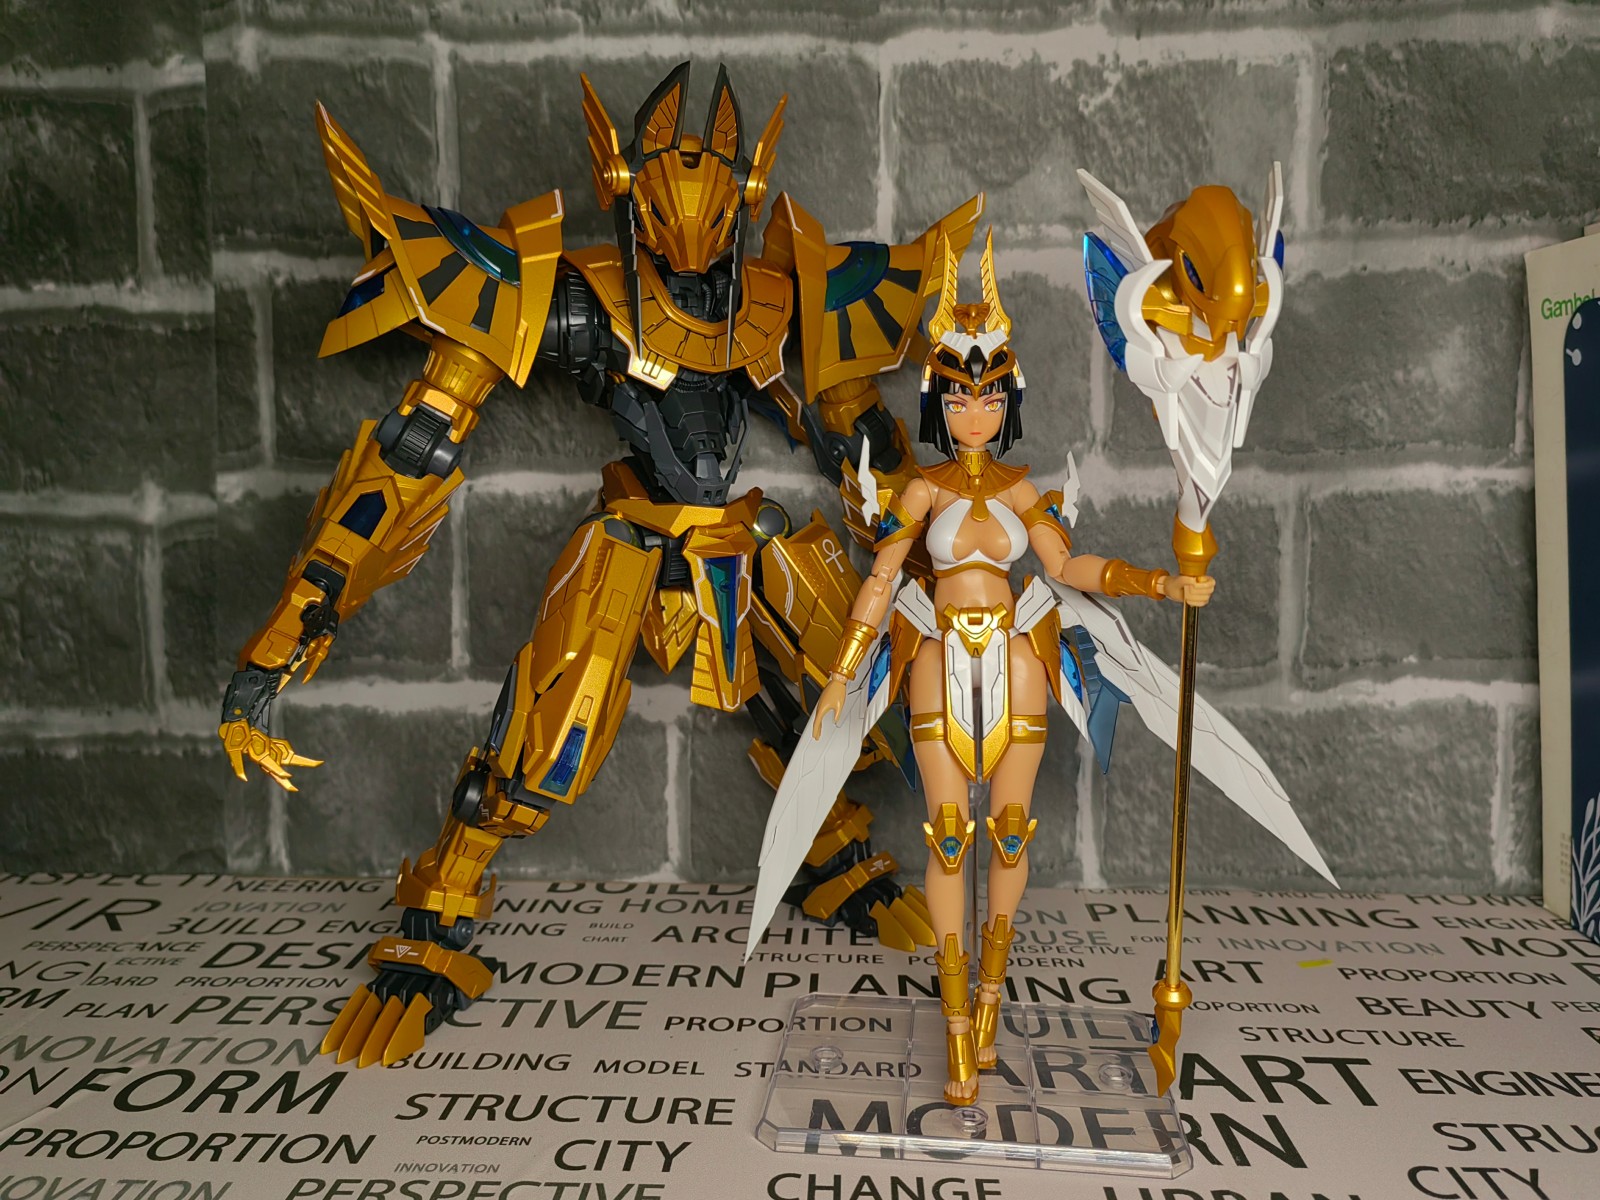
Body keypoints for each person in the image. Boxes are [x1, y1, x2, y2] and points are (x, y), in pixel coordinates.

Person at [811, 231, 1215, 1104]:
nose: (975, 414)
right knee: (948, 836)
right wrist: (844, 670)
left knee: (1010, 833)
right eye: (961, 398)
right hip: (937, 657)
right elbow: (882, 577)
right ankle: (956, 1023)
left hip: (1018, 657)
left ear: (1008, 401)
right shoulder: (922, 491)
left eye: (989, 397)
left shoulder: (1024, 488)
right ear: (939, 402)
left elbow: (1069, 568)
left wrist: (1157, 582)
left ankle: (992, 1002)